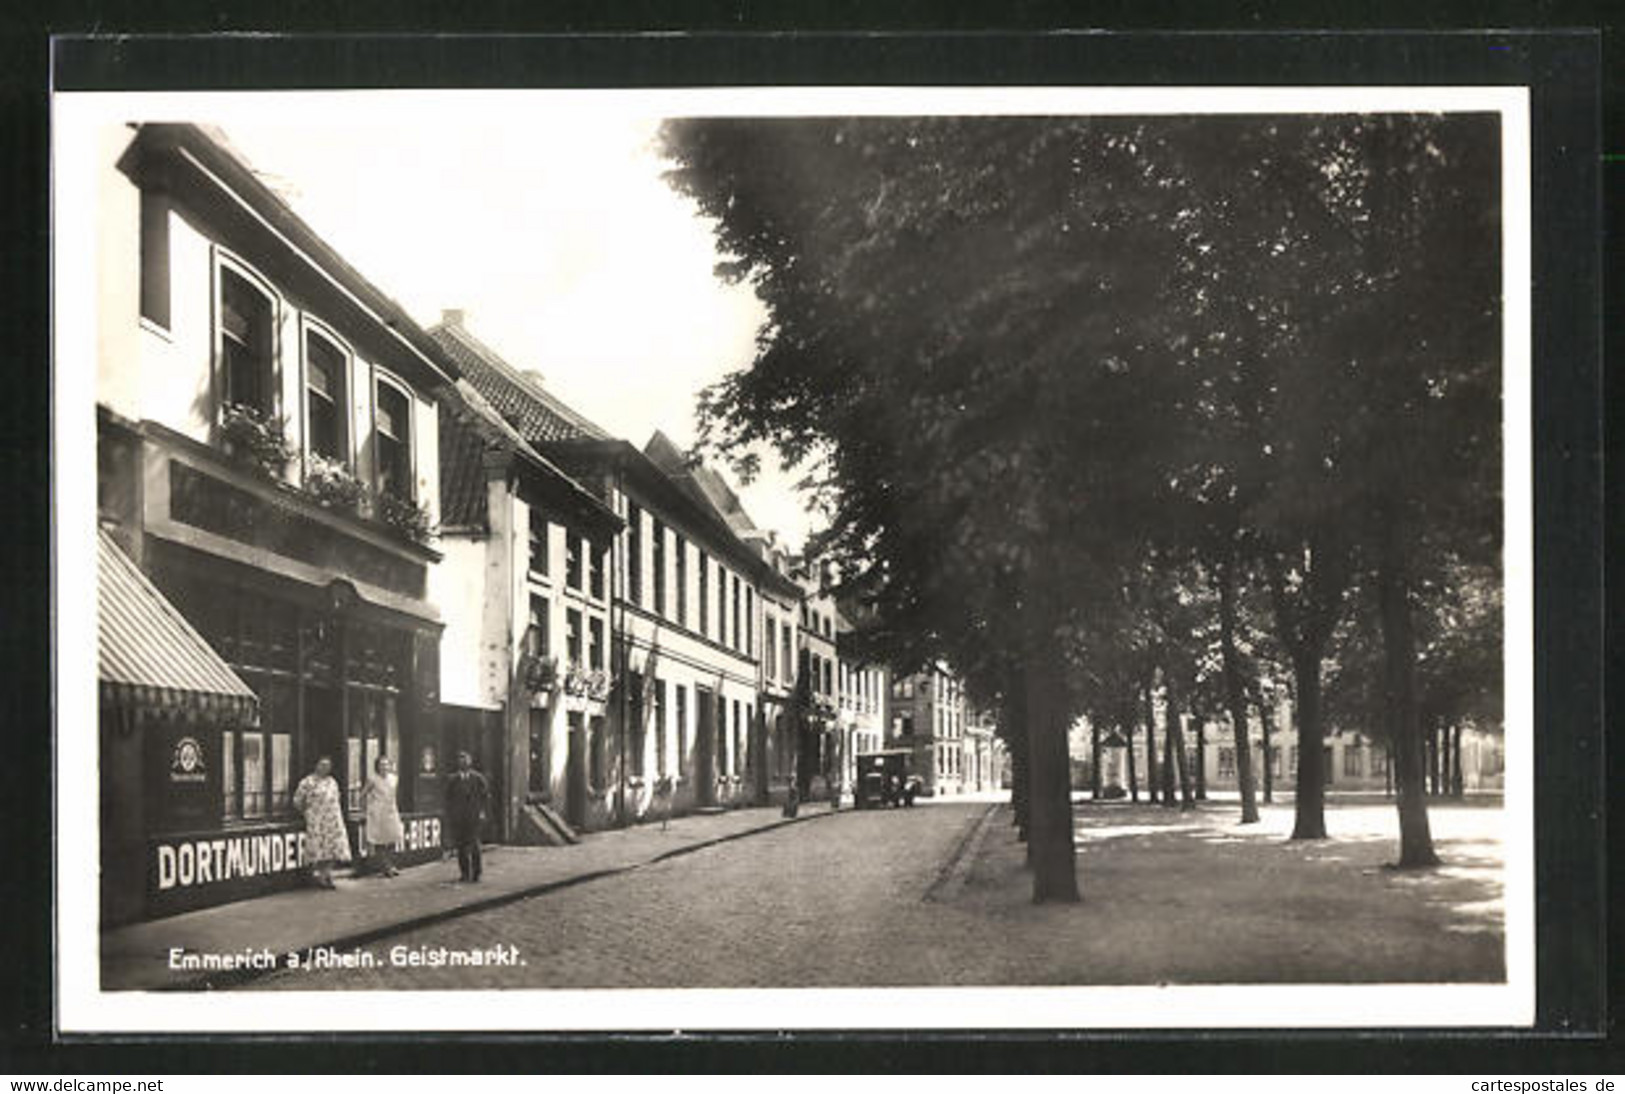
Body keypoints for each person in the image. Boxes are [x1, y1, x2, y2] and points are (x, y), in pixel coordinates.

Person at [291, 756, 351, 889]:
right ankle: (321, 877)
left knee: (333, 849)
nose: (325, 768)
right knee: (319, 848)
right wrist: (307, 812)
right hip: (317, 820)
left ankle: (326, 874)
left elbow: (337, 798)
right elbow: (297, 800)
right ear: (316, 765)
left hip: (333, 819)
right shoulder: (307, 782)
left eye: (327, 766)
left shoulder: (332, 782)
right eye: (322, 765)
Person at [443, 750, 489, 883]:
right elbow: (448, 799)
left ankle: (476, 873)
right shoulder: (453, 780)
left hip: (473, 817)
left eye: (466, 759)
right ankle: (464, 873)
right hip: (459, 818)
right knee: (461, 846)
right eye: (461, 760)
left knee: (474, 844)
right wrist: (450, 815)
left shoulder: (478, 778)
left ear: (470, 762)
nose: (463, 762)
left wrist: (482, 812)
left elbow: (485, 797)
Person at [362, 755, 404, 877]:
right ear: (377, 767)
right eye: (381, 765)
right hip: (378, 813)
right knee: (379, 840)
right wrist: (366, 810)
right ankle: (386, 867)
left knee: (393, 837)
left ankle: (390, 864)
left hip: (391, 810)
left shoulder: (394, 778)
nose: (384, 767)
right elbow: (363, 794)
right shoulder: (373, 779)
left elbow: (394, 795)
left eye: (386, 764)